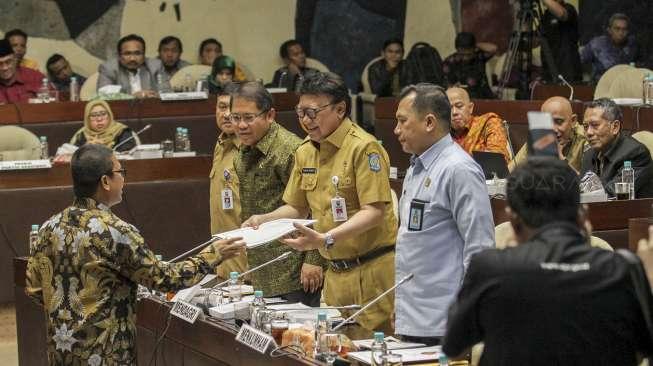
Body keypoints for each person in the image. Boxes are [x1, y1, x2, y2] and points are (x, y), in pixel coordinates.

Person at [25, 143, 245, 365]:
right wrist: (213, 255)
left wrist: (72, 314)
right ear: (105, 181)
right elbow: (166, 279)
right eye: (121, 172)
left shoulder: (48, 228)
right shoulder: (115, 232)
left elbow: (34, 289)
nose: (124, 179)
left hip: (61, 353)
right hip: (106, 355)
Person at [443, 157, 653, 365]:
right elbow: (643, 352)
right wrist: (650, 277)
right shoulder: (623, 269)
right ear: (583, 216)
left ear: (513, 220)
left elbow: (454, 350)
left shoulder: (490, 268)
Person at [243, 72, 398, 339]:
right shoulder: (305, 151)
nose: (305, 120)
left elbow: (374, 212)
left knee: (373, 353)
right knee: (333, 352)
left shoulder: (364, 148)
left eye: (313, 112)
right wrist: (264, 219)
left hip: (372, 273)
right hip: (336, 276)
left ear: (340, 109)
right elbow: (296, 207)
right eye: (301, 112)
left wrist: (326, 239)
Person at [393, 83, 494, 346]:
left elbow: (480, 248)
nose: (396, 130)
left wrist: (468, 315)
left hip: (445, 322)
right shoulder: (416, 166)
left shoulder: (458, 169)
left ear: (429, 122)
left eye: (402, 121)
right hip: (412, 316)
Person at [232, 82, 323, 305]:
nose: (241, 125)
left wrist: (314, 259)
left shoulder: (291, 150)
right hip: (262, 266)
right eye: (236, 118)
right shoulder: (243, 151)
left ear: (270, 115)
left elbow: (315, 207)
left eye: (249, 118)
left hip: (294, 268)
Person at [209, 83, 248, 280]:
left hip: (251, 267)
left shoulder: (251, 149)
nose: (225, 114)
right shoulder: (221, 144)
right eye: (221, 107)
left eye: (231, 108)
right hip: (224, 264)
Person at [580, 98, 653, 198]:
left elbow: (611, 195)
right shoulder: (589, 154)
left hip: (631, 212)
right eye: (585, 126)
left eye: (595, 125)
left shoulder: (636, 154)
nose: (589, 132)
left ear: (615, 127)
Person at [511, 96, 587, 171]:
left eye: (559, 122)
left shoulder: (585, 140)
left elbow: (588, 182)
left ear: (573, 121)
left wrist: (561, 159)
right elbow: (509, 174)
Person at [446, 87, 511, 162]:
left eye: (459, 106)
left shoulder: (488, 122)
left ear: (470, 108)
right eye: (449, 108)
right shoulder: (442, 133)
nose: (454, 112)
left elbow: (497, 159)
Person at [97, 34, 161, 98]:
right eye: (127, 54)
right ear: (119, 56)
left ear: (144, 55)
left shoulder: (156, 66)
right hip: (120, 107)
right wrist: (133, 97)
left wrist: (157, 96)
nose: (132, 58)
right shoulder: (109, 68)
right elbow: (103, 94)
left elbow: (166, 93)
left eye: (137, 53)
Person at [581, 13, 639, 83]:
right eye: (617, 29)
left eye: (624, 29)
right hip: (598, 86)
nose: (621, 33)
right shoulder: (596, 44)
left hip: (624, 87)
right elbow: (580, 62)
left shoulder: (633, 45)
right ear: (609, 30)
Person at [442, 32, 497, 99]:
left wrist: (475, 44)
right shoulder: (449, 63)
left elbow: (493, 49)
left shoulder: (479, 57)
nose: (465, 58)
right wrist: (453, 88)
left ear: (474, 49)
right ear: (457, 50)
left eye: (469, 54)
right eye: (462, 54)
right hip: (463, 100)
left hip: (485, 98)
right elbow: (447, 86)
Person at [70, 100, 138, 152]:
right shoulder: (81, 135)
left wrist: (104, 151)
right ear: (87, 119)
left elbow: (128, 154)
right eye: (94, 115)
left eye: (103, 114)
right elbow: (73, 158)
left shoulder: (122, 131)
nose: (99, 119)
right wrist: (86, 149)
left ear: (109, 115)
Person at [540, 0, 582, 82]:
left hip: (568, 71)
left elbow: (561, 14)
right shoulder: (546, 15)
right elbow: (536, 40)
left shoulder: (569, 8)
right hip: (549, 71)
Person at [0, 38, 47, 104]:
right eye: (0, 64)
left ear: (15, 60)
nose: (4, 68)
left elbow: (55, 102)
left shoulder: (35, 77)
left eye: (8, 62)